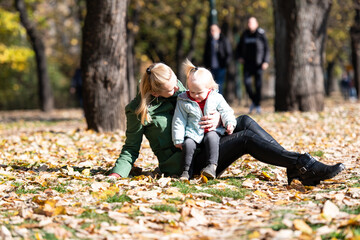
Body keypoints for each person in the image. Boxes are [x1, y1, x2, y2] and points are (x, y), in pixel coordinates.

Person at [108, 62, 345, 187]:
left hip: (206, 143)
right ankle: (303, 164)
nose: (177, 89)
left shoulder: (178, 88)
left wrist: (220, 120)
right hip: (187, 163)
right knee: (245, 140)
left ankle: (293, 166)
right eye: (170, 88)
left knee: (244, 121)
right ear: (155, 90)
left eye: (176, 84)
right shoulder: (138, 110)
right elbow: (130, 149)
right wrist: (117, 175)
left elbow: (208, 101)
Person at [172, 59, 237, 180]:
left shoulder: (216, 97)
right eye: (192, 92)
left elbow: (226, 111)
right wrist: (178, 138)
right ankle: (186, 171)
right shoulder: (184, 100)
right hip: (193, 132)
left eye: (199, 92)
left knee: (212, 139)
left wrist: (230, 123)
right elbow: (179, 120)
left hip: (212, 130)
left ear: (210, 88)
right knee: (188, 144)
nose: (195, 95)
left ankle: (211, 166)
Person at [236, 17, 269, 114]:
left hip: (259, 64)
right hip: (247, 64)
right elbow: (238, 47)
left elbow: (267, 48)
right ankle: (255, 102)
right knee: (247, 84)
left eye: (252, 23)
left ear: (256, 24)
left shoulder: (261, 34)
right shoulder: (245, 34)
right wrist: (239, 57)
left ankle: (257, 105)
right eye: (248, 22)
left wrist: (265, 61)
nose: (249, 24)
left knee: (258, 86)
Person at [203, 24, 232, 95]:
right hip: (211, 68)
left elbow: (229, 53)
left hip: (221, 67)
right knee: (210, 86)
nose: (212, 32)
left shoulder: (224, 40)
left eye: (214, 30)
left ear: (219, 31)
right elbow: (206, 54)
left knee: (219, 85)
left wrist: (225, 63)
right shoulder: (209, 41)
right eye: (211, 30)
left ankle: (218, 101)